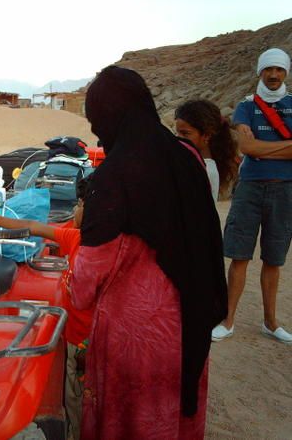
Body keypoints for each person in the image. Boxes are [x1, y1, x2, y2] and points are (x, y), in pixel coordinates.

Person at [72, 66, 227, 439]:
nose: (97, 132)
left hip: (136, 340)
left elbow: (85, 284)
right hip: (190, 319)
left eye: (97, 121)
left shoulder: (113, 178)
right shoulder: (187, 157)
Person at [0, 180, 91, 440]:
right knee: (72, 400)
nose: (76, 210)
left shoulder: (99, 251)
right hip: (74, 342)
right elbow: (36, 227)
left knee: (84, 407)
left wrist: (88, 347)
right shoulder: (75, 237)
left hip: (88, 346)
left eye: (80, 204)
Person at [212, 47, 292, 343]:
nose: (273, 75)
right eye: (268, 70)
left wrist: (262, 148)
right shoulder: (246, 106)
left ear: (286, 73)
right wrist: (283, 148)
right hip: (250, 188)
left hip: (285, 190)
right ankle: (228, 319)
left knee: (274, 258)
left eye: (279, 70)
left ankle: (271, 323)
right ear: (260, 72)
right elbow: (247, 148)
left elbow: (257, 148)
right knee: (240, 255)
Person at [174, 99, 238, 202]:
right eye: (177, 133)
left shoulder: (204, 170)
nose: (178, 139)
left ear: (206, 135)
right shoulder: (192, 164)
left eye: (185, 134)